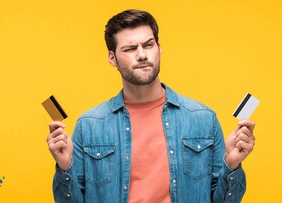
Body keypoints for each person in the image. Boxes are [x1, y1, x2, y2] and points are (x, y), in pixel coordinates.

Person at [46, 9, 255, 203]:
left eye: (148, 45)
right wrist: (65, 168)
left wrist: (232, 164)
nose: (142, 55)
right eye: (129, 48)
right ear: (112, 58)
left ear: (159, 49)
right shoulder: (89, 125)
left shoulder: (203, 118)